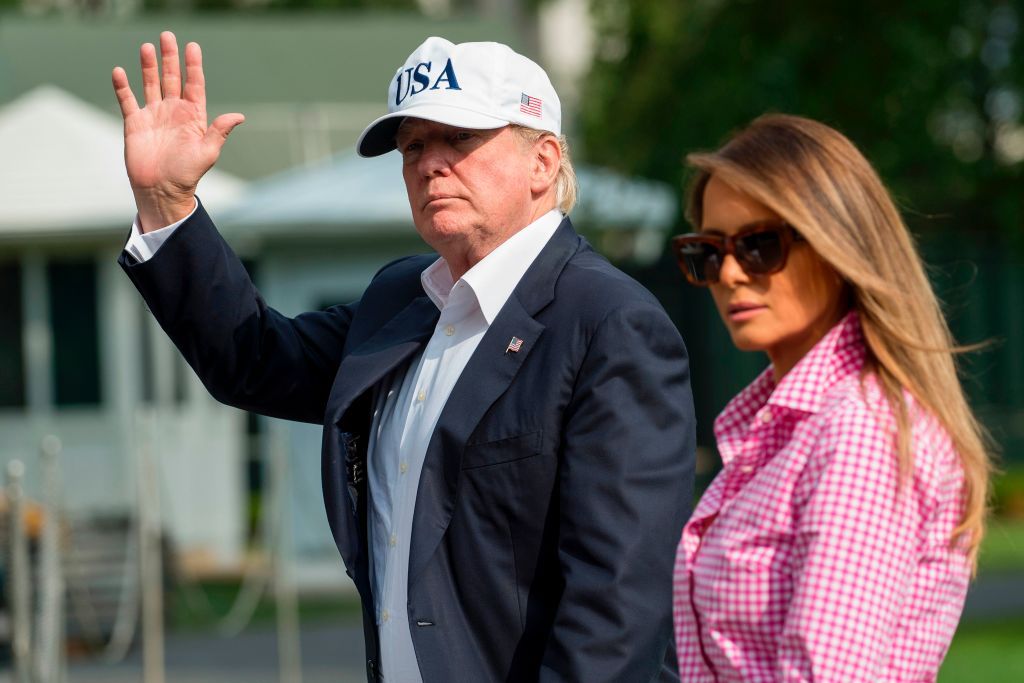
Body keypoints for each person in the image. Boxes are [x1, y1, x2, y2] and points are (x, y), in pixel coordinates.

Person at [111, 33, 696, 682]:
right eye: (414, 145)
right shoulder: (402, 300)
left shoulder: (611, 324)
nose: (429, 164)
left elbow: (617, 612)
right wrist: (167, 203)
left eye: (460, 138)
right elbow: (252, 357)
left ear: (544, 161)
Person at [669, 114, 990, 681]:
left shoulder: (860, 431)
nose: (732, 274)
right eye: (710, 251)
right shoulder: (792, 427)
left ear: (835, 244)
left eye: (760, 245)